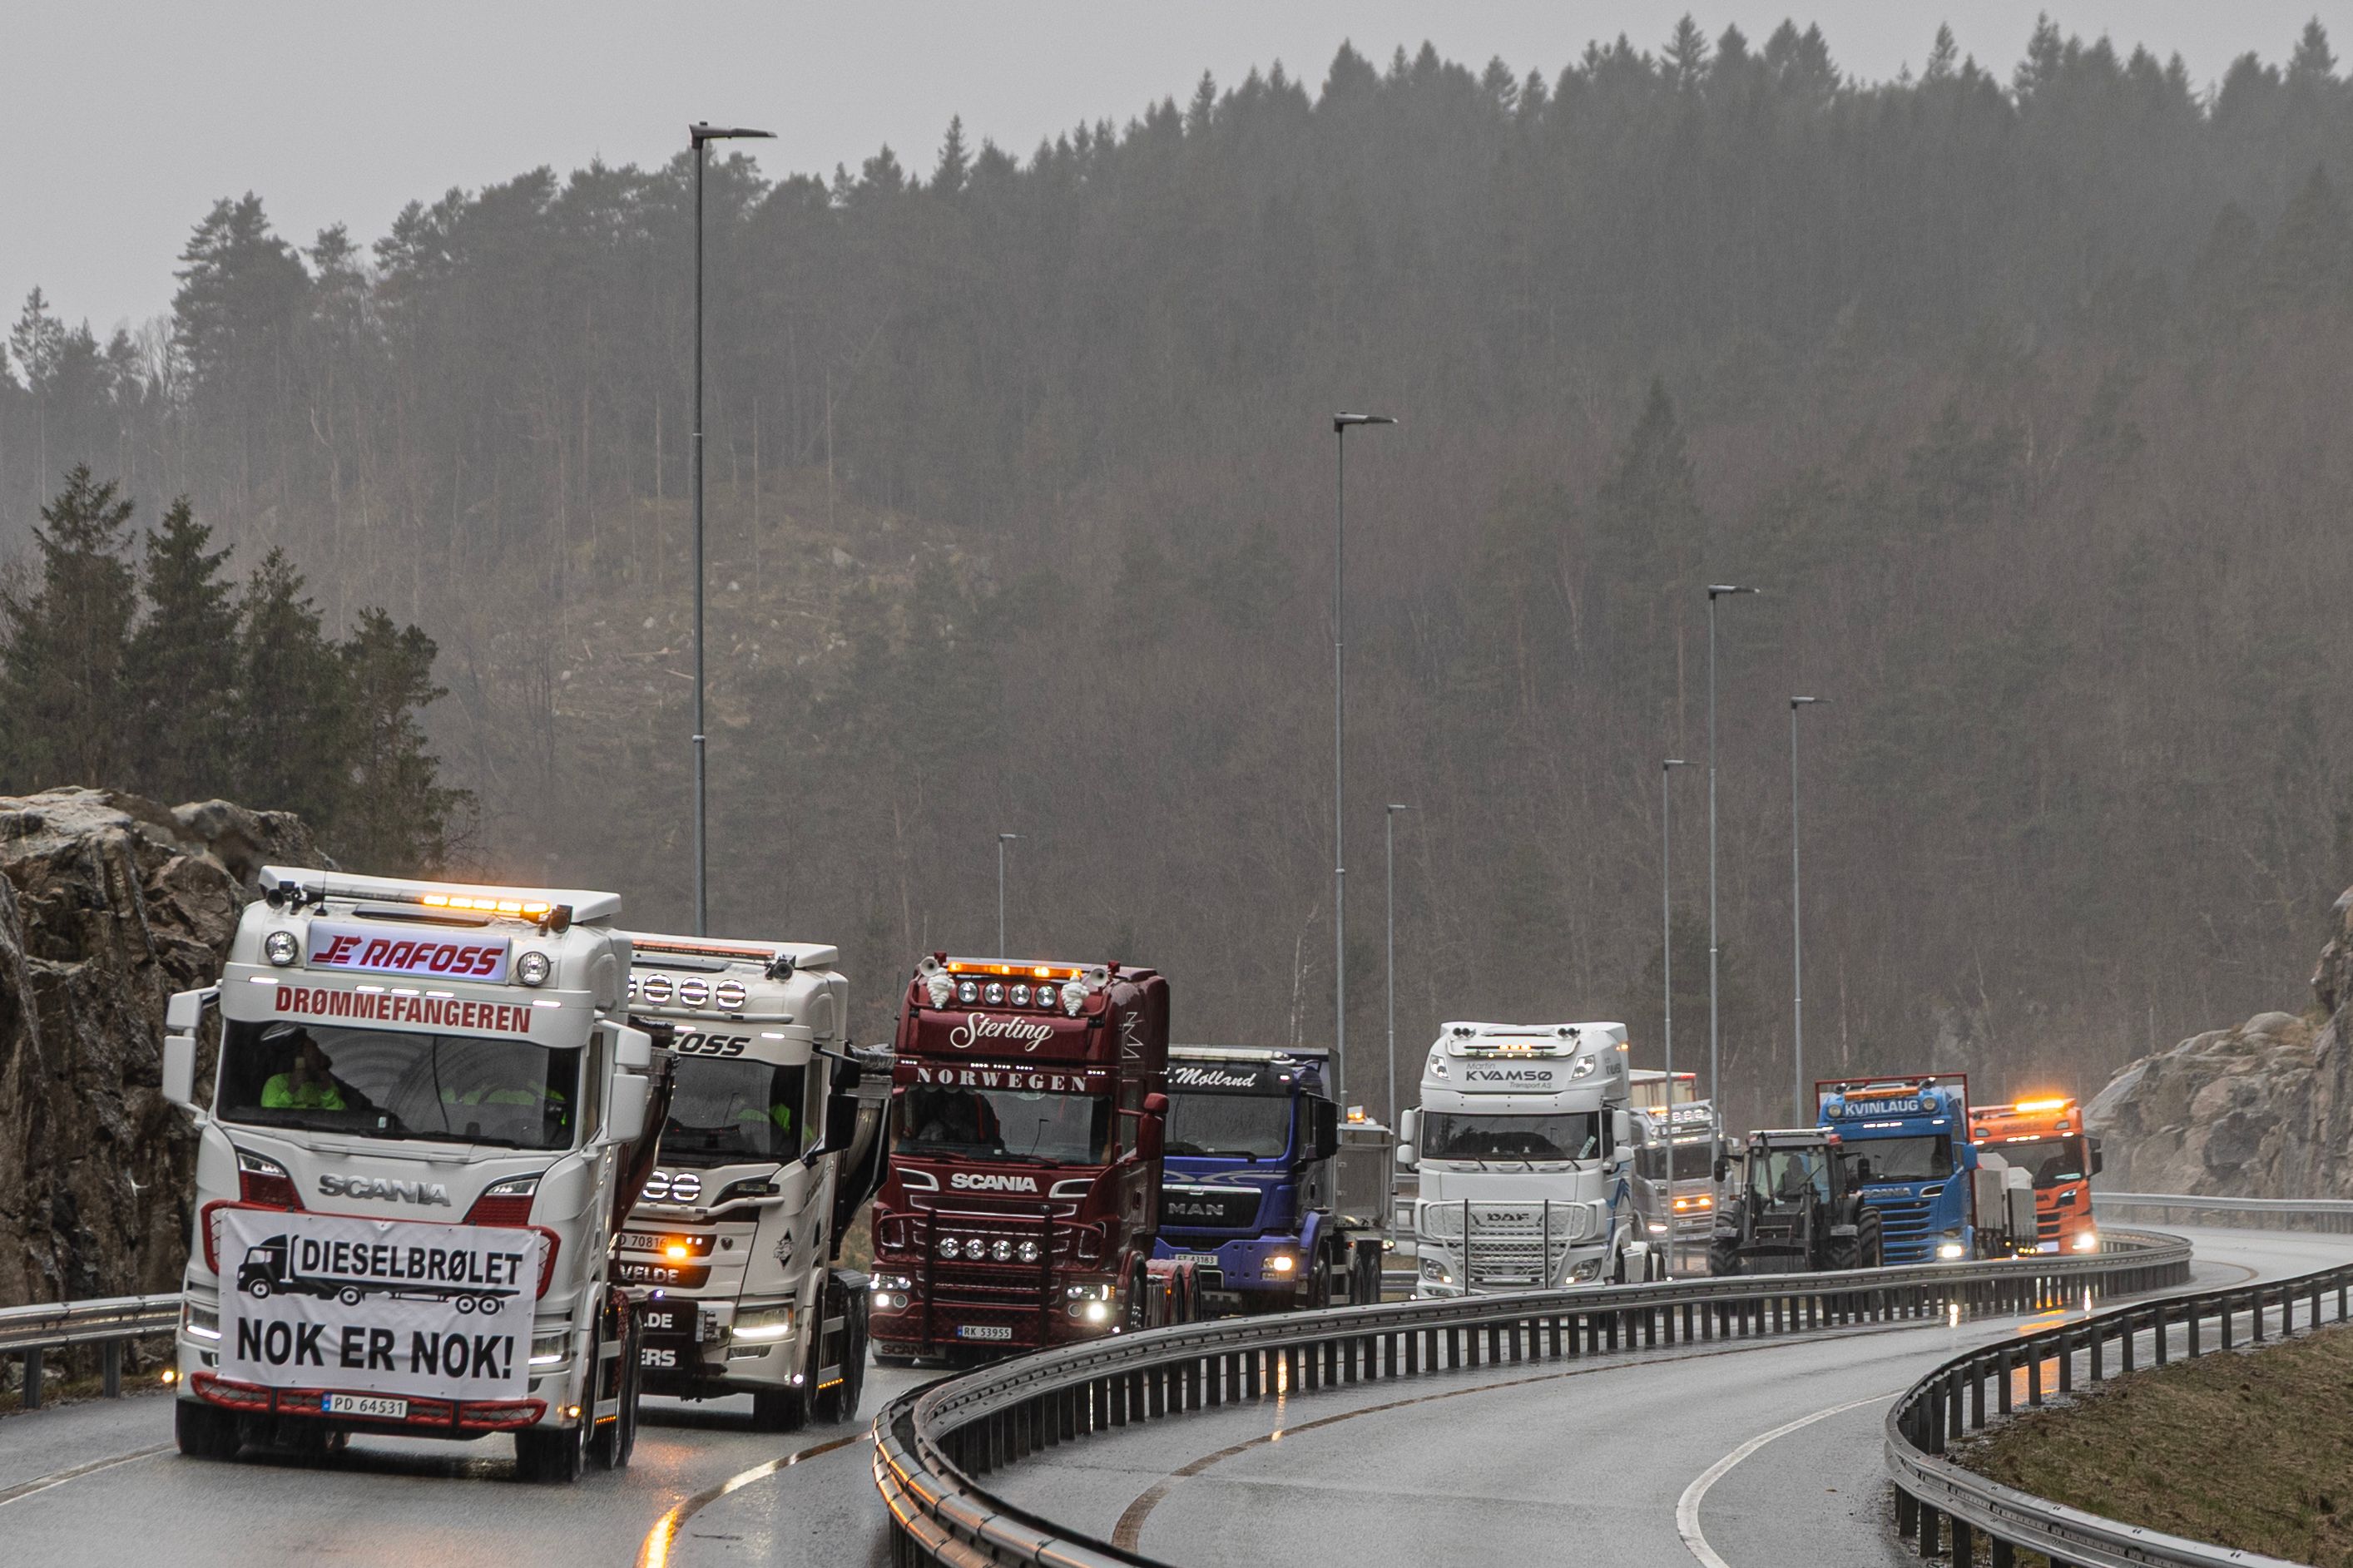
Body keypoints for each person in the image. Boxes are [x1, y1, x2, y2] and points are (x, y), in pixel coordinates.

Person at [261, 1029, 349, 1111]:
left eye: (318, 1049)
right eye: (312, 1049)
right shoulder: (276, 1083)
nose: (317, 1053)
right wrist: (291, 1089)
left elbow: (341, 1117)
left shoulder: (328, 1085)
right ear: (299, 1058)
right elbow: (269, 1116)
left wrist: (326, 1091)